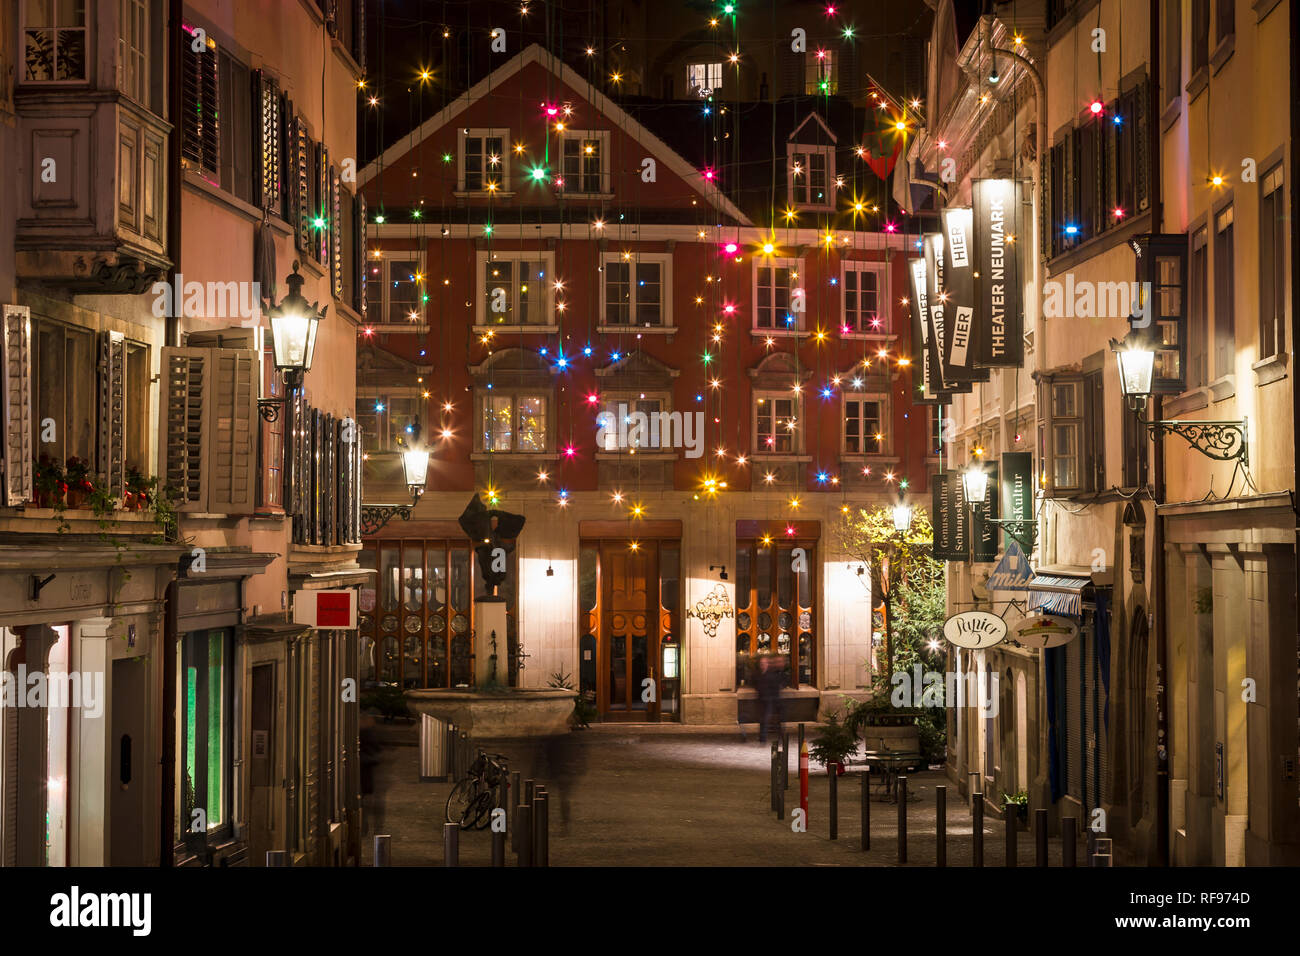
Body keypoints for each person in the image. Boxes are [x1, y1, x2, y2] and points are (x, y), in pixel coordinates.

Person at [756, 653, 786, 743]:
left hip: (770, 700)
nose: (762, 665)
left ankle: (765, 738)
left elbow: (776, 687)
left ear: (767, 664)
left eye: (764, 663)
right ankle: (763, 738)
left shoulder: (771, 675)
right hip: (764, 700)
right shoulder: (760, 674)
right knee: (764, 720)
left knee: (767, 719)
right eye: (761, 663)